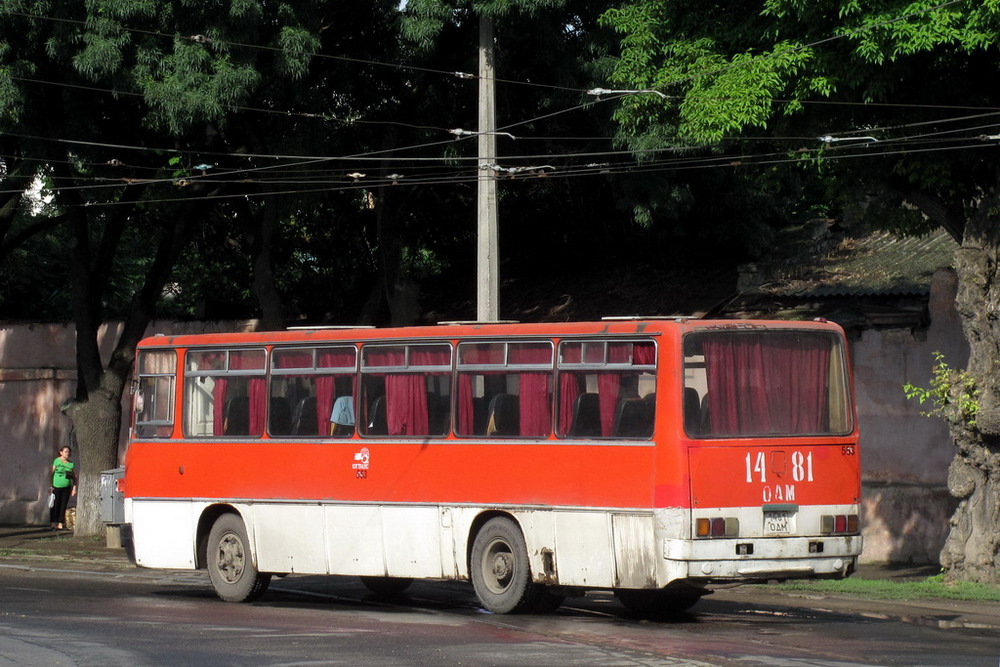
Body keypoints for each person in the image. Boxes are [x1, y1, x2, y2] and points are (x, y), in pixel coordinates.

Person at [49, 445, 76, 530]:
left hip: (66, 487)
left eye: (69, 452)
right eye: (66, 451)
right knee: (55, 504)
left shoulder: (70, 464)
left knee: (63, 505)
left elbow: (74, 477)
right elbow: (51, 474)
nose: (67, 453)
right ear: (61, 452)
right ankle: (53, 522)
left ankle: (61, 522)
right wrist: (51, 486)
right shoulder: (57, 461)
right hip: (56, 486)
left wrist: (74, 488)